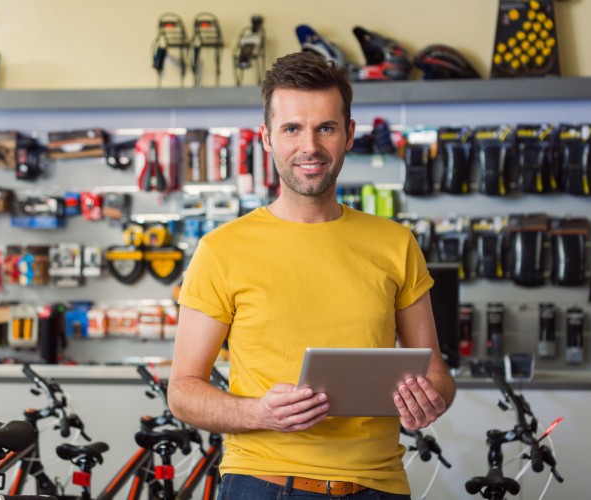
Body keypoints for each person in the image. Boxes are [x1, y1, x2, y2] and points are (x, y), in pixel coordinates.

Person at [168, 51, 456, 499]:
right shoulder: (221, 249)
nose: (310, 147)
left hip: (376, 486)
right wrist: (259, 413)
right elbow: (183, 391)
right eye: (292, 129)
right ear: (266, 137)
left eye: (326, 127)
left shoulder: (395, 243)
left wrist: (429, 399)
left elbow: (436, 371)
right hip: (263, 482)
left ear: (349, 134)